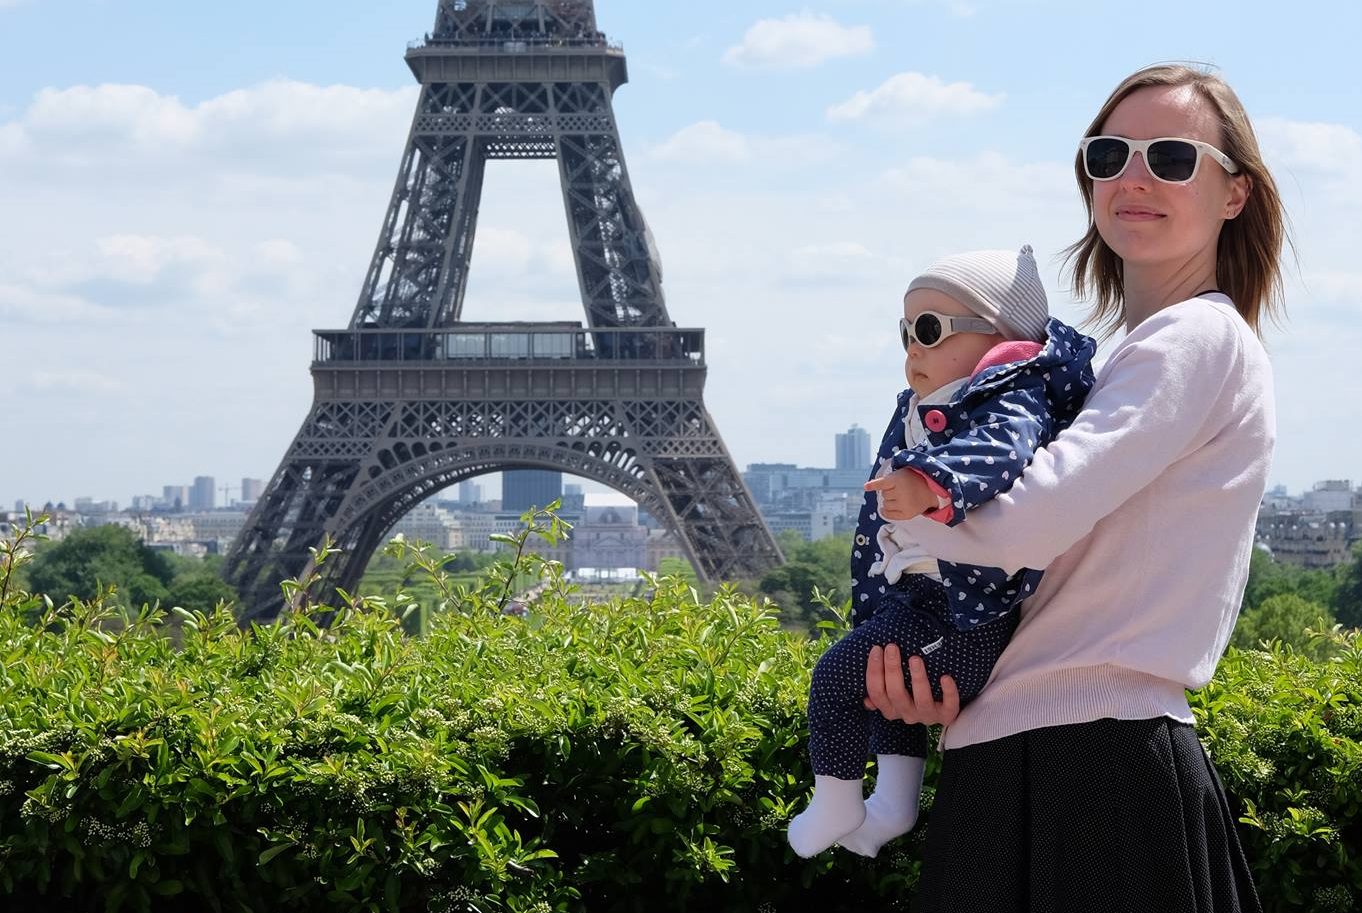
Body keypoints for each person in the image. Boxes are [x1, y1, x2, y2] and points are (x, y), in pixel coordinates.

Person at [864, 63, 1283, 912]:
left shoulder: (1192, 340)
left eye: (1170, 156)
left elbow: (1026, 522)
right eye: (1108, 154)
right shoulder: (1115, 361)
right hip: (1048, 751)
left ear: (1233, 193)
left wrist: (901, 527)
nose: (1134, 175)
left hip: (1089, 764)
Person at [786, 246, 1096, 858]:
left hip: (960, 616)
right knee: (880, 697)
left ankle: (837, 798)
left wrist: (930, 483)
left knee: (834, 679)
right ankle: (893, 804)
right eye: (906, 332)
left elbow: (999, 452)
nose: (912, 350)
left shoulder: (1013, 397)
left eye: (929, 330)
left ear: (1002, 339)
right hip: (923, 600)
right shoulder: (926, 408)